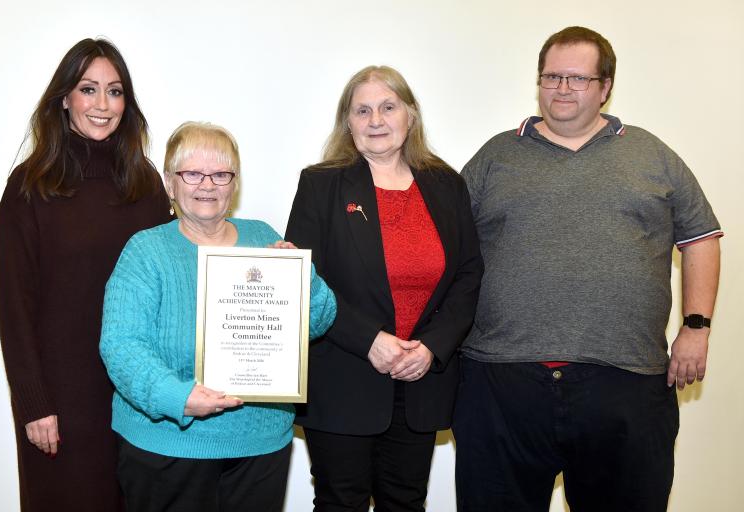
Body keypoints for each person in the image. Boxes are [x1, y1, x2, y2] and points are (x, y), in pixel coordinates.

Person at [454, 26, 723, 512]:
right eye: (552, 76)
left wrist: (696, 327)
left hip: (626, 382)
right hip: (502, 382)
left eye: (577, 79)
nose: (561, 89)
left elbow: (701, 237)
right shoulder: (495, 156)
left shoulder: (652, 155)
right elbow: (445, 246)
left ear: (605, 87)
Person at [99, 121, 337, 512]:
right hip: (169, 446)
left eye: (221, 173)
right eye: (191, 173)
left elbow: (318, 321)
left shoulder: (263, 237)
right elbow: (121, 346)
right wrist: (176, 397)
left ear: (234, 183)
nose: (207, 184)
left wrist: (300, 275)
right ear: (170, 183)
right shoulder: (145, 251)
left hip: (259, 448)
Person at [286, 65, 483, 511]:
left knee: (406, 502)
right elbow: (304, 279)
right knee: (341, 502)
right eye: (363, 110)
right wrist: (369, 340)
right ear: (348, 122)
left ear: (409, 116)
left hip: (420, 382)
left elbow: (469, 274)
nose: (376, 119)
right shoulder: (321, 185)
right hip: (343, 378)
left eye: (388, 107)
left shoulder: (446, 184)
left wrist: (432, 348)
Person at [0, 38, 171, 511]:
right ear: (64, 98)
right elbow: (15, 307)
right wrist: (34, 405)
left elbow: (179, 276)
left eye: (115, 92)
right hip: (61, 403)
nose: (102, 104)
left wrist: (262, 257)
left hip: (139, 401)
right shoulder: (30, 187)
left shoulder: (146, 184)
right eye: (88, 89)